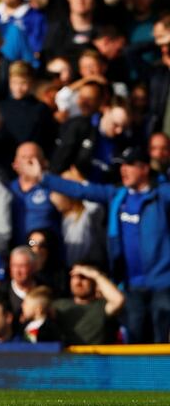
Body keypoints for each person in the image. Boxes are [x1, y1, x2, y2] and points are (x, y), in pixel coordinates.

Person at [24, 147, 170, 343]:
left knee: (162, 335)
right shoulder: (118, 196)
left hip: (162, 282)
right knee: (136, 338)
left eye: (130, 166)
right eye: (121, 166)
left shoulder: (162, 196)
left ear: (144, 169)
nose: (123, 170)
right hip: (131, 284)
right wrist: (43, 177)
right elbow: (81, 190)